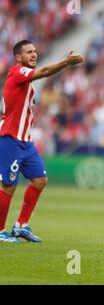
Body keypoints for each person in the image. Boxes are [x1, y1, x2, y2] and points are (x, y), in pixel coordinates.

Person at [0, 40, 83, 243]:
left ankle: (20, 226)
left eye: (35, 51)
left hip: (26, 142)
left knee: (40, 179)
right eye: (29, 52)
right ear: (18, 57)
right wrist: (66, 62)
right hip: (10, 138)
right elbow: (45, 71)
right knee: (8, 186)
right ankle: (0, 232)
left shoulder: (28, 84)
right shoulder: (17, 72)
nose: (34, 55)